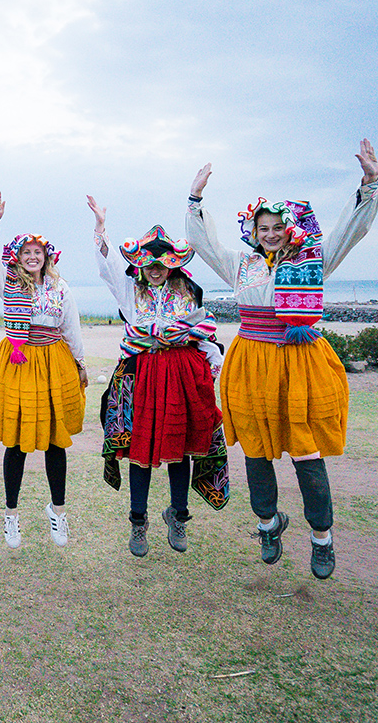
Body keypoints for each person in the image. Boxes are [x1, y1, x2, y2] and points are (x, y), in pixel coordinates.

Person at [185, 139, 378, 579]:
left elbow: (349, 233)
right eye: (263, 228)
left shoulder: (314, 260)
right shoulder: (241, 265)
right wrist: (195, 199)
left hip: (299, 363)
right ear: (253, 231)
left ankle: (322, 538)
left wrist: (368, 184)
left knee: (306, 452)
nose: (270, 233)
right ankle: (268, 524)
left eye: (277, 227)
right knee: (255, 450)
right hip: (251, 364)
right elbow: (203, 242)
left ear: (291, 228)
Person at [88, 197, 229, 558]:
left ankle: (178, 515)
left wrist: (211, 370)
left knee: (180, 449)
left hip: (181, 377)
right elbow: (107, 265)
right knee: (142, 449)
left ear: (172, 265)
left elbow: (203, 335)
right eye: (149, 264)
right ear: (140, 265)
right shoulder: (129, 291)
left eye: (162, 264)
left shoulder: (188, 293)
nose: (155, 269)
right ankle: (138, 522)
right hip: (143, 376)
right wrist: (101, 228)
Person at [0, 190, 87, 548]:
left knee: (56, 441)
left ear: (46, 257)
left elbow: (71, 326)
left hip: (54, 360)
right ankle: (11, 515)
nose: (32, 256)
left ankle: (58, 511)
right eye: (26, 252)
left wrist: (81, 363)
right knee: (17, 442)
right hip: (19, 362)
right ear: (18, 257)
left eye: (37, 252)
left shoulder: (59, 287)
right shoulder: (8, 282)